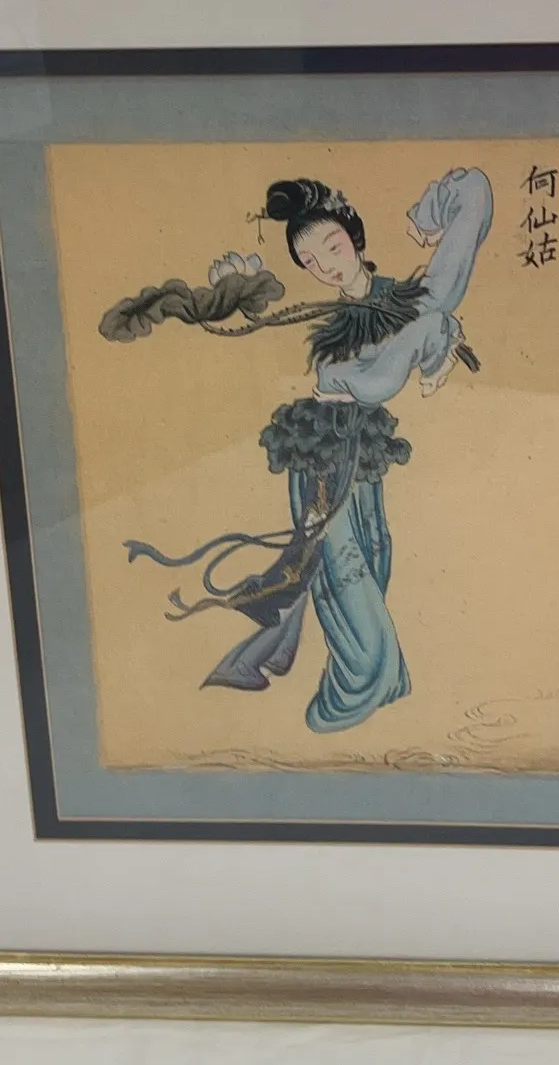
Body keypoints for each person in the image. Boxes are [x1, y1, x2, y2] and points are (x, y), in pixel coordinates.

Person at [124, 168, 493, 733]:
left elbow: (471, 206)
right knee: (345, 575)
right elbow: (371, 383)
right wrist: (430, 335)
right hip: (322, 458)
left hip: (361, 458)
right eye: (312, 262)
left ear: (354, 236)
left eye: (332, 248)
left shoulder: (402, 296)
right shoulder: (335, 331)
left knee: (370, 561)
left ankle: (348, 676)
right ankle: (355, 692)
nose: (327, 266)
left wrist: (428, 217)